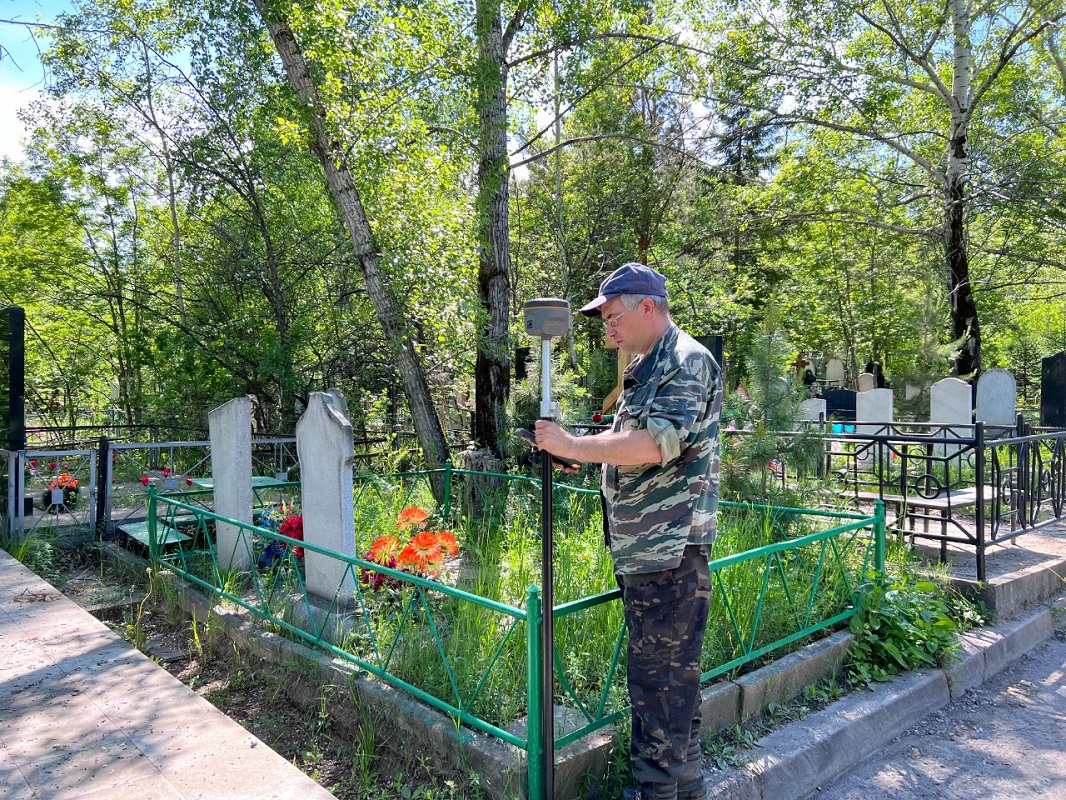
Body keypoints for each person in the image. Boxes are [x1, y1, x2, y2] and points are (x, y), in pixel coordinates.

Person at [534, 262, 723, 800]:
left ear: (647, 306)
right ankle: (686, 787)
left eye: (614, 317)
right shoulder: (648, 364)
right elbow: (631, 448)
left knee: (658, 684)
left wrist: (574, 444)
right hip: (648, 548)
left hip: (671, 550)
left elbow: (656, 444)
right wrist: (583, 455)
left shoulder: (685, 360)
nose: (609, 330)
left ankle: (656, 792)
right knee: (671, 681)